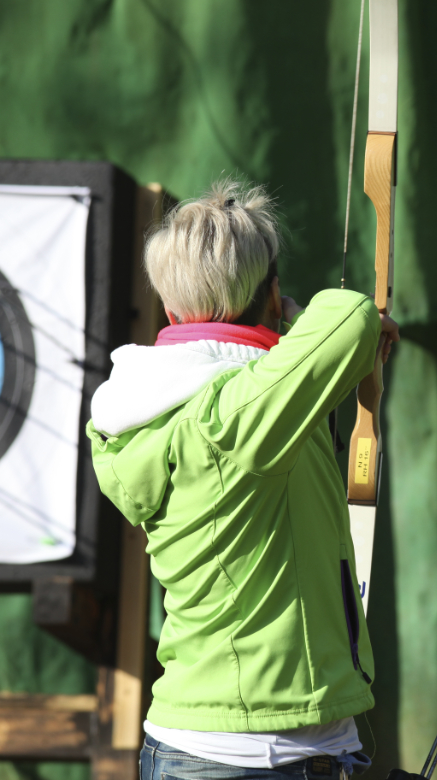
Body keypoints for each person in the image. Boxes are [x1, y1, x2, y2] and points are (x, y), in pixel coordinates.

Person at [86, 179, 398, 780]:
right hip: (262, 757)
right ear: (274, 297)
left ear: (171, 311)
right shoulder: (235, 416)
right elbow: (351, 314)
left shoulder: (152, 411)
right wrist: (298, 319)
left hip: (195, 743)